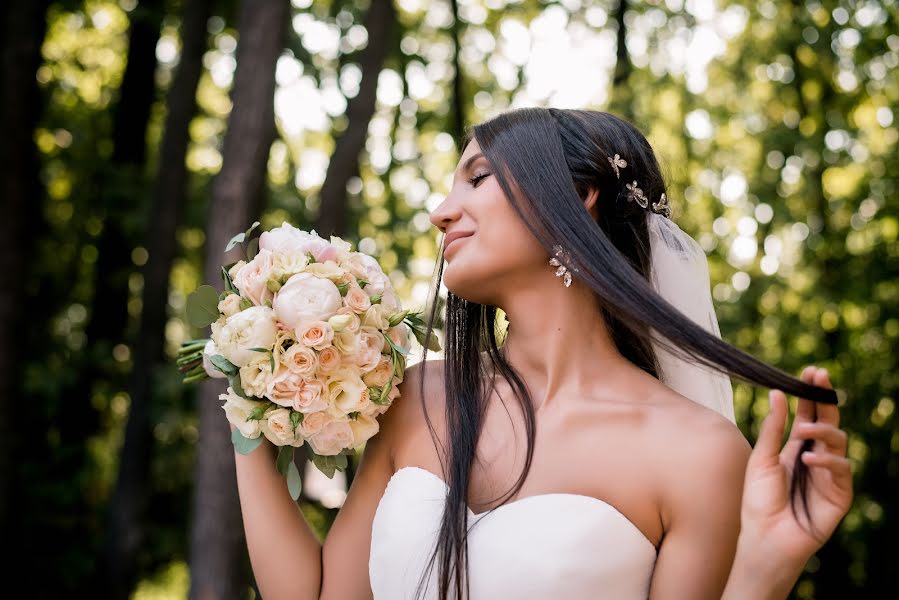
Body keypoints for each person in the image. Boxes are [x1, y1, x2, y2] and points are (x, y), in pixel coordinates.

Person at [231, 108, 851, 599]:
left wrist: (768, 566)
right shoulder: (417, 397)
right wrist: (252, 396)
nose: (440, 213)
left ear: (578, 195)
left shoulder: (700, 453)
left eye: (477, 177)